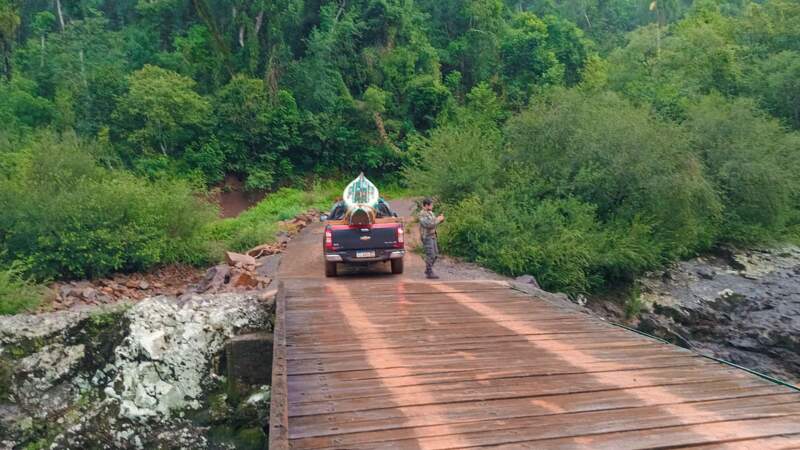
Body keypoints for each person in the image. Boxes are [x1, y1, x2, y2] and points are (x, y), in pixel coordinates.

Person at [418, 197, 444, 279]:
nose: (432, 206)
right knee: (431, 254)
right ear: (426, 205)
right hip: (427, 237)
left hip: (432, 236)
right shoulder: (422, 214)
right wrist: (438, 220)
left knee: (435, 254)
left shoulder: (430, 213)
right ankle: (429, 272)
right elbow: (429, 224)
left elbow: (434, 222)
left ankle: (428, 269)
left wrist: (440, 219)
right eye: (431, 205)